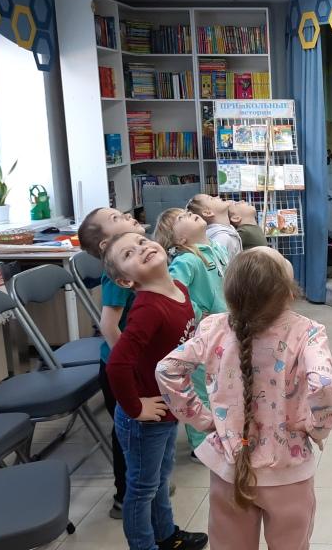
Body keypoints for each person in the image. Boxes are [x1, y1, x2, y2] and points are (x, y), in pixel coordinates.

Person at [156, 247, 332, 550]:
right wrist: (316, 429)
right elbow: (323, 385)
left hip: (229, 466)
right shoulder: (307, 332)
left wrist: (203, 420)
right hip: (288, 470)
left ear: (230, 293)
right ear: (289, 293)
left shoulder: (213, 327)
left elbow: (167, 370)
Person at [102, 232, 208, 550]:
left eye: (141, 241)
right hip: (145, 417)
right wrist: (136, 408)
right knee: (142, 489)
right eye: (128, 254)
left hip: (167, 406)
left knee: (160, 478)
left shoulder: (179, 289)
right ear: (125, 281)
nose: (142, 248)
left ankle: (165, 536)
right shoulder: (148, 309)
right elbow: (117, 364)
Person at [78, 207, 171, 520]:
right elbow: (108, 326)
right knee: (128, 434)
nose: (126, 216)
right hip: (120, 366)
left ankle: (152, 484)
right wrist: (132, 368)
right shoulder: (116, 275)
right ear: (107, 246)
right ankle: (125, 495)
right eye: (115, 219)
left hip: (135, 362)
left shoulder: (141, 264)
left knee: (146, 432)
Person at [153, 208, 230, 456]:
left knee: (220, 383)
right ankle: (201, 447)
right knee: (200, 389)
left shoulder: (217, 249)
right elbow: (172, 291)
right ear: (180, 239)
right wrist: (198, 312)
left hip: (224, 329)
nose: (188, 213)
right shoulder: (186, 260)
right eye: (181, 218)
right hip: (201, 335)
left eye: (187, 212)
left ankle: (219, 432)